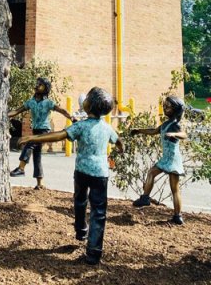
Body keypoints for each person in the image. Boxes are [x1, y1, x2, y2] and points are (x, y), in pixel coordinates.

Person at [18, 86, 124, 265]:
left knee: (80, 200)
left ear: (89, 106)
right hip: (100, 175)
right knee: (98, 212)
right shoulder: (107, 128)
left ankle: (81, 230)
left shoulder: (80, 126)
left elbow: (58, 136)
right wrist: (120, 150)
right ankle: (94, 252)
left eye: (87, 97)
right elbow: (118, 140)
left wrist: (32, 138)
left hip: (82, 172)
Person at [9, 77, 76, 189]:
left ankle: (21, 168)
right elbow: (16, 111)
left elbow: (61, 110)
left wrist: (71, 118)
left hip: (45, 131)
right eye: (37, 84)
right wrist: (5, 114)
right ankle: (40, 183)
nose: (36, 86)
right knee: (37, 157)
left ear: (45, 88)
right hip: (35, 131)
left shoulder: (48, 102)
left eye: (39, 84)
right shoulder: (31, 102)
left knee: (29, 143)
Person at [131, 95, 187, 225]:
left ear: (176, 110)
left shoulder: (174, 125)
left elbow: (184, 134)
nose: (165, 108)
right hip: (166, 158)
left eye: (168, 106)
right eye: (165, 106)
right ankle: (145, 198)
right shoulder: (165, 124)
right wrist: (139, 130)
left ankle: (177, 216)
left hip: (173, 159)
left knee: (174, 188)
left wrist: (174, 134)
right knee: (151, 173)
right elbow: (153, 131)